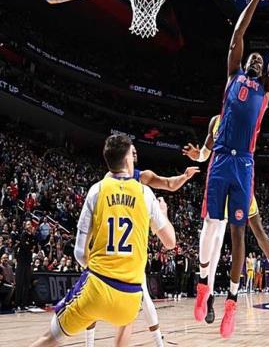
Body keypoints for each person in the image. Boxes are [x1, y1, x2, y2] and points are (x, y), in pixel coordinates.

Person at [189, 0, 269, 339]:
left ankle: (231, 301)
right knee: (210, 226)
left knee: (239, 232)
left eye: (262, 60)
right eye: (253, 58)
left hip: (244, 163)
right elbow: (237, 37)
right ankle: (203, 285)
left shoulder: (265, 89)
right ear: (245, 62)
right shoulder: (233, 76)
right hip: (220, 160)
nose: (258, 60)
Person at [30, 134, 176, 347]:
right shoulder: (145, 193)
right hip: (129, 296)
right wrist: (163, 213)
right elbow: (170, 242)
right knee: (127, 321)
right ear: (127, 159)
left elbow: (79, 253)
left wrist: (98, 273)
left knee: (49, 338)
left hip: (97, 288)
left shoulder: (96, 190)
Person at [85, 145, 200, 347]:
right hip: (114, 251)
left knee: (127, 300)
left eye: (135, 150)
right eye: (131, 150)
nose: (135, 153)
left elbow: (168, 184)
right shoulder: (109, 182)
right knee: (136, 302)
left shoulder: (140, 177)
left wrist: (184, 176)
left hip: (127, 251)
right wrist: (162, 213)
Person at [183, 113, 269, 324]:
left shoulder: (246, 116)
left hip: (240, 180)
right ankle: (209, 296)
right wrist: (198, 156)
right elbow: (205, 153)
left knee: (257, 230)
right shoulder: (215, 121)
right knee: (215, 242)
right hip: (221, 181)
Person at [15, 219, 36, 311]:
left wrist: (31, 246)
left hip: (28, 262)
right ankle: (17, 304)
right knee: (19, 284)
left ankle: (24, 304)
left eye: (30, 224)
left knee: (26, 284)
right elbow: (25, 246)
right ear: (25, 226)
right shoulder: (23, 234)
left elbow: (34, 246)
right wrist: (30, 247)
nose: (29, 226)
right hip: (21, 262)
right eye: (28, 224)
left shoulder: (32, 236)